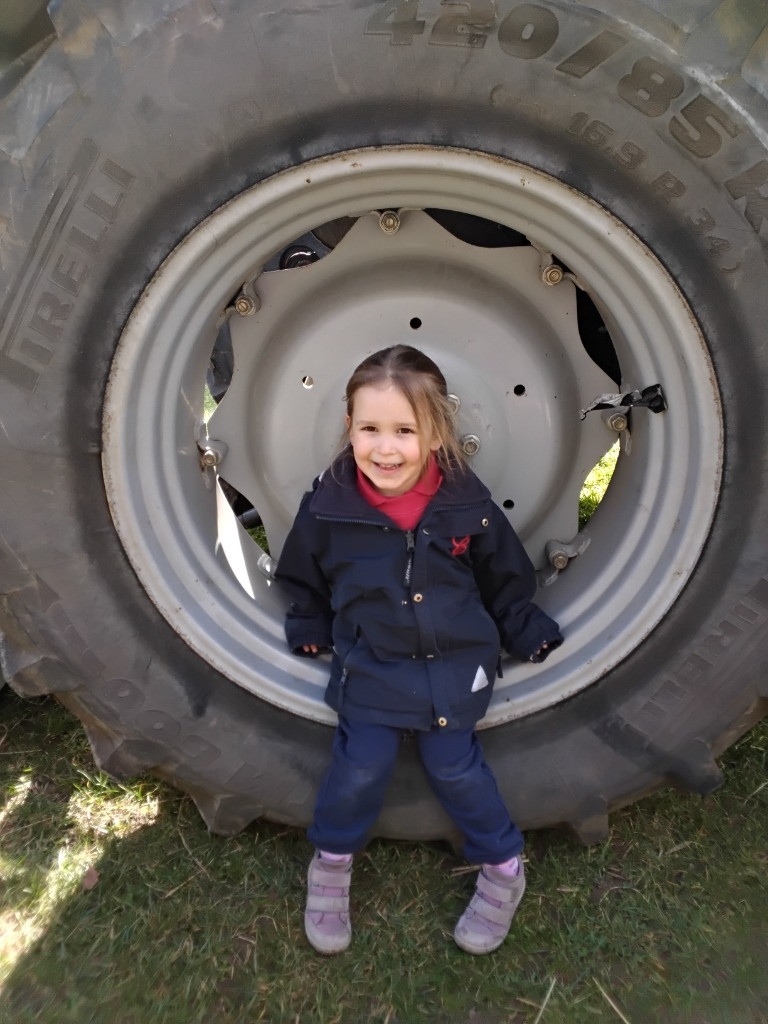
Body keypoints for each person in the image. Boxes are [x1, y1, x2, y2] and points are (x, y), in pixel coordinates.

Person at [275, 345, 563, 956]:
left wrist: (522, 623)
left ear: (436, 434)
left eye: (404, 430)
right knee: (360, 767)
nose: (385, 448)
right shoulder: (328, 508)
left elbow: (504, 576)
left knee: (456, 767)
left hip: (454, 667)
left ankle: (503, 868)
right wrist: (308, 620)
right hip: (373, 666)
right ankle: (330, 865)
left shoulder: (468, 507)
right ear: (348, 428)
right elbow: (301, 573)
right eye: (369, 428)